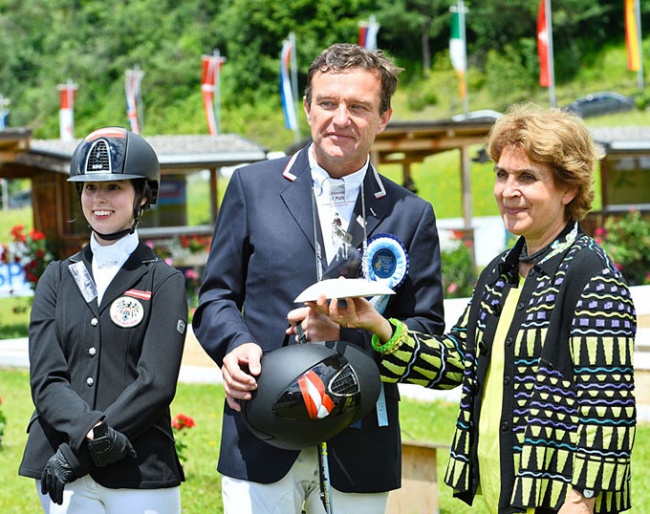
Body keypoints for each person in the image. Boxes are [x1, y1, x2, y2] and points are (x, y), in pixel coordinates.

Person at [312, 104, 637, 514]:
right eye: (502, 174)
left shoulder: (592, 274)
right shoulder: (500, 271)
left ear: (568, 188)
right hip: (503, 494)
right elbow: (454, 364)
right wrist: (377, 325)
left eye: (527, 177)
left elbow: (607, 407)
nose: (508, 190)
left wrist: (581, 499)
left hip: (559, 502)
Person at [192, 42, 446, 513]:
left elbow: (427, 331)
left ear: (384, 117)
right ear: (308, 108)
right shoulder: (251, 188)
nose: (341, 118)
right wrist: (234, 347)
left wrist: (353, 334)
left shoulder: (412, 215)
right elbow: (215, 300)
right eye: (328, 103)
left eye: (359, 107)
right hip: (261, 434)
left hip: (362, 445)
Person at [19, 127, 188, 513]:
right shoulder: (55, 278)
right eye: (90, 188)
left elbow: (156, 382)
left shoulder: (164, 281)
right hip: (61, 468)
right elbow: (46, 379)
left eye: (114, 188)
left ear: (143, 195)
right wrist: (88, 435)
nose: (99, 199)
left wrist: (80, 453)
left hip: (139, 466)